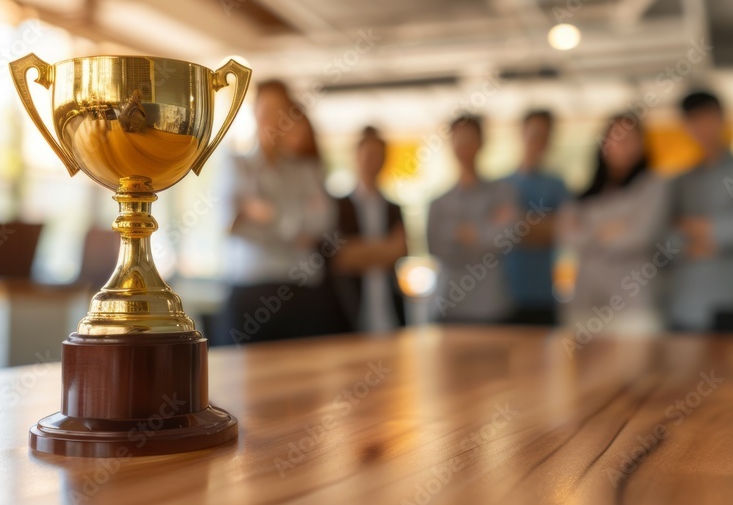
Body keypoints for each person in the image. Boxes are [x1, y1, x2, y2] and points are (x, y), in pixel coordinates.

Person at [220, 80, 348, 344]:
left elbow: (321, 225)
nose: (272, 120)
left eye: (280, 112)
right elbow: (230, 227)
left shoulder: (306, 170)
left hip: (304, 293)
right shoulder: (235, 164)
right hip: (251, 292)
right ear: (254, 113)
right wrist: (295, 228)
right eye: (266, 110)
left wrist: (267, 215)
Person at [558, 113, 670, 335]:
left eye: (630, 139)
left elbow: (640, 236)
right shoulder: (584, 194)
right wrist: (615, 227)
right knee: (588, 368)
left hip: (634, 306)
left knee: (636, 369)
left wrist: (588, 230)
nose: (622, 145)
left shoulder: (654, 186)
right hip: (587, 303)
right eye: (616, 137)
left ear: (642, 145)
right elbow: (567, 237)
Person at [667, 91, 733, 331]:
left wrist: (690, 226)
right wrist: (716, 234)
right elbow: (667, 239)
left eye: (707, 117)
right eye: (693, 120)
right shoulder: (679, 181)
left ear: (722, 118)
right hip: (687, 305)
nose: (701, 127)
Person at [427, 115, 517, 323]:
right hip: (449, 306)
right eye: (459, 139)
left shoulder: (503, 193)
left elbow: (504, 239)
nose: (464, 146)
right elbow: (436, 248)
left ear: (482, 142)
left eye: (470, 138)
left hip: (493, 307)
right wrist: (484, 232)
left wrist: (460, 234)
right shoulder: (438, 202)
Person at [331, 127, 409, 333]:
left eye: (377, 155)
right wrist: (385, 249)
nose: (371, 161)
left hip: (390, 313)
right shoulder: (338, 207)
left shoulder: (394, 209)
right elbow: (339, 258)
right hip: (350, 315)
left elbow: (400, 252)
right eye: (366, 155)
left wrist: (360, 251)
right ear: (355, 157)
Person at [503, 110, 569, 325]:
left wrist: (516, 223)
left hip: (543, 295)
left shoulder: (557, 185)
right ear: (521, 134)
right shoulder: (500, 186)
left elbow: (564, 230)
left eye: (544, 134)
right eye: (533, 132)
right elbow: (497, 233)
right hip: (504, 298)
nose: (537, 139)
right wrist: (540, 225)